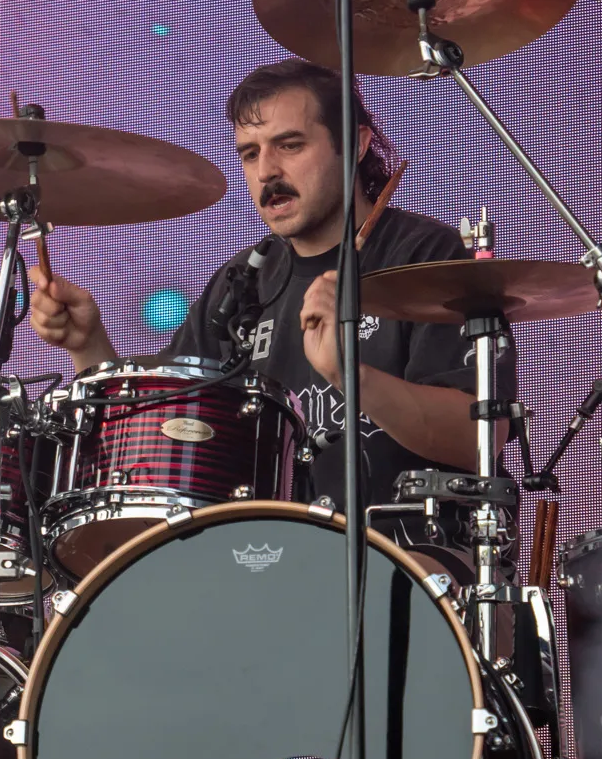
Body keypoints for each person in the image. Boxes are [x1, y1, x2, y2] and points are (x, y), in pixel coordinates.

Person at [26, 56, 504, 512]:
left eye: (290, 145)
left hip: (399, 548)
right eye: (250, 153)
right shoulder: (244, 281)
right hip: (261, 555)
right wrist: (89, 347)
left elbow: (480, 438)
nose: (266, 171)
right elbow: (166, 433)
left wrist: (350, 375)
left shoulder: (425, 256)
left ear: (356, 144)